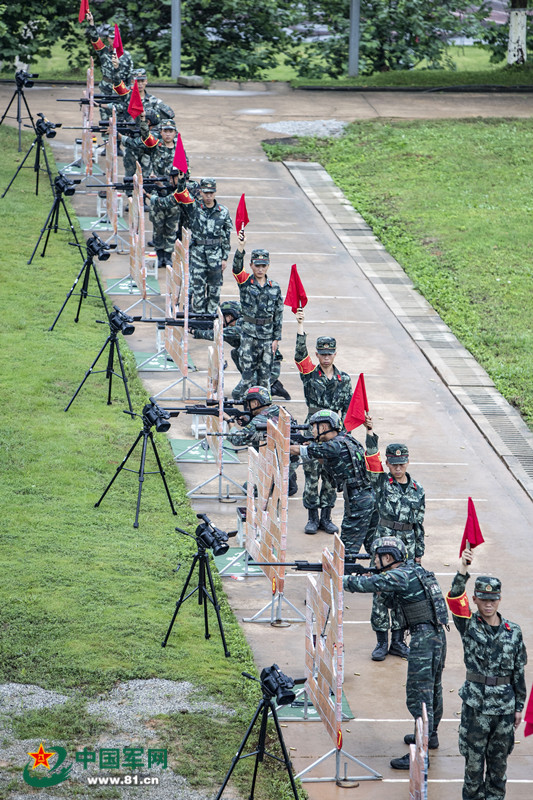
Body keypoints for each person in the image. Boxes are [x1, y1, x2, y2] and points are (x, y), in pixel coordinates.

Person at [344, 536, 448, 769]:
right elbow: (392, 601)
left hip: (424, 639)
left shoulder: (399, 575)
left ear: (388, 558)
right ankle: (429, 737)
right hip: (436, 636)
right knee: (433, 690)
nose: (375, 561)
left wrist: (339, 579)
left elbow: (365, 586)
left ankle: (420, 755)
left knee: (419, 696)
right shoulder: (413, 571)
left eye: (378, 557)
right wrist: (377, 581)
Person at [446, 548, 527, 800]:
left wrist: (519, 706)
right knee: (473, 769)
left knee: (498, 770)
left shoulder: (513, 631)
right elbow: (454, 596)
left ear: (499, 599)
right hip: (475, 708)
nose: (488, 603)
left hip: (504, 709)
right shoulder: (467, 624)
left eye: (493, 599)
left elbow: (519, 671)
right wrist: (463, 568)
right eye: (483, 599)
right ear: (476, 599)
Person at [362, 415, 426, 661]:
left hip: (408, 547)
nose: (398, 468)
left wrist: (419, 552)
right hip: (384, 545)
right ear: (388, 464)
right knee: (380, 592)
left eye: (401, 463)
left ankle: (399, 641)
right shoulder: (381, 483)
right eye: (393, 464)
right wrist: (370, 434)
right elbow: (371, 462)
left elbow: (419, 523)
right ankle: (381, 642)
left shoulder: (418, 490)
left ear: (407, 462)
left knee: (404, 594)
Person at [294, 308, 352, 535]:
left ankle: (326, 517)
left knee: (330, 476)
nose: (326, 357)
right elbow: (299, 356)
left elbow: (347, 408)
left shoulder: (344, 379)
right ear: (317, 355)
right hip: (313, 428)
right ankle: (312, 517)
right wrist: (300, 327)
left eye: (330, 354)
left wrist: (345, 435)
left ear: (335, 354)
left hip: (335, 431)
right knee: (311, 474)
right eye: (322, 354)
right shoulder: (310, 375)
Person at [290, 410, 375, 558]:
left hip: (358, 501)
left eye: (315, 427)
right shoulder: (347, 440)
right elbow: (326, 459)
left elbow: (299, 451)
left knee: (346, 551)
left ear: (323, 427)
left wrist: (281, 443)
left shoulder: (334, 446)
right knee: (373, 544)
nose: (312, 431)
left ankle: (345, 579)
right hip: (368, 497)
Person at [192, 301, 290, 400]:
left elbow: (217, 334)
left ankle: (271, 387)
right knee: (236, 353)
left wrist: (193, 331)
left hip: (270, 369)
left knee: (238, 394)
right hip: (263, 366)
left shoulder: (240, 327)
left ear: (230, 316)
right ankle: (265, 383)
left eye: (223, 317)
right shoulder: (244, 323)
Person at [232, 232, 283, 401]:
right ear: (251, 265)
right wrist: (241, 247)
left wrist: (276, 338)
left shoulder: (274, 287)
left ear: (268, 266)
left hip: (267, 338)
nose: (260, 269)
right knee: (247, 376)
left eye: (263, 265)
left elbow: (278, 314)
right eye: (257, 265)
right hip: (248, 335)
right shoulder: (245, 282)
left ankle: (265, 407)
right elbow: (236, 269)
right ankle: (248, 407)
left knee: (265, 377)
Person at [226, 386, 297, 496]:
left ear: (255, 403)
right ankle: (287, 479)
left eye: (249, 403)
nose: (247, 407)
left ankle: (278, 481)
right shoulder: (278, 409)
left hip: (278, 462)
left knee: (249, 489)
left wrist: (230, 421)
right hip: (290, 458)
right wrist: (247, 422)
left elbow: (237, 439)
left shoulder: (260, 419)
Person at [178, 178, 233, 314]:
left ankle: (211, 316)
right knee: (198, 288)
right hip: (198, 254)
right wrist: (180, 181)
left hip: (215, 254)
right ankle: (198, 317)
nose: (208, 196)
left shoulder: (223, 212)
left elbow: (226, 236)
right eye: (206, 192)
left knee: (215, 288)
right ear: (201, 192)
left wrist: (224, 257)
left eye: (211, 192)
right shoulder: (194, 208)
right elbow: (181, 195)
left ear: (215, 192)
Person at [85, 11, 134, 119]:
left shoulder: (126, 56)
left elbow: (131, 74)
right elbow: (95, 39)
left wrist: (130, 90)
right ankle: (106, 136)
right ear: (107, 38)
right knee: (105, 116)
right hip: (106, 88)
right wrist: (92, 24)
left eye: (116, 38)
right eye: (111, 38)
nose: (113, 40)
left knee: (121, 116)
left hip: (121, 89)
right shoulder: (104, 51)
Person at [148, 167, 183, 268]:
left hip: (172, 212)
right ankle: (159, 256)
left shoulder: (180, 186)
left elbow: (170, 197)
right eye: (172, 178)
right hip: (158, 211)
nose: (172, 180)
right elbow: (161, 195)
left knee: (170, 232)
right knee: (157, 232)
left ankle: (167, 257)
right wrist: (158, 184)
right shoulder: (164, 181)